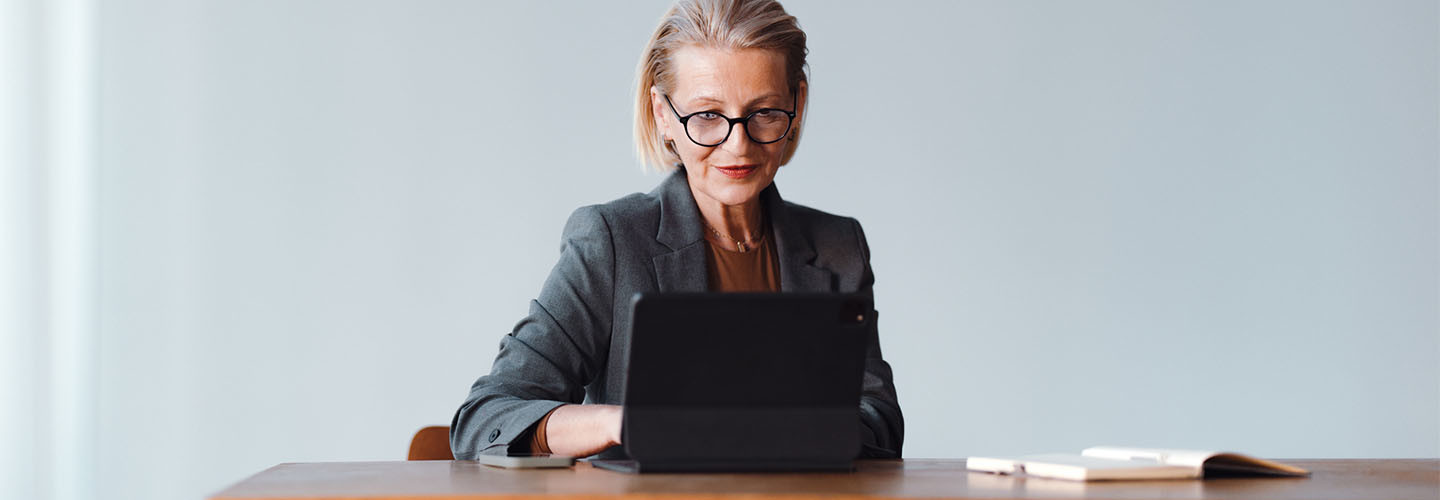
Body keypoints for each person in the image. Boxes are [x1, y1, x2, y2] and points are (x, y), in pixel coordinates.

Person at [450, 0, 903, 461]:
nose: (738, 145)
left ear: (797, 105)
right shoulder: (611, 241)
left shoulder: (838, 247)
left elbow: (880, 420)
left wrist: (792, 428)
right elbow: (485, 418)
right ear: (664, 115)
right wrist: (623, 421)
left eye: (764, 112)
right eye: (707, 115)